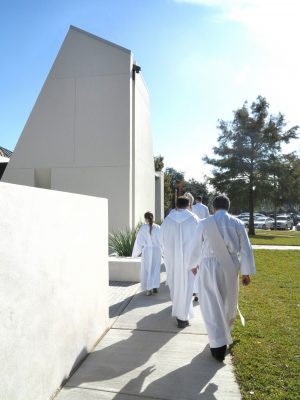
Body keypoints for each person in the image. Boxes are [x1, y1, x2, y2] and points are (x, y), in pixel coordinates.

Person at [189, 195, 256, 362]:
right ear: (228, 206)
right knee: (228, 301)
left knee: (210, 303)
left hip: (209, 265)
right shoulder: (237, 223)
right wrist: (245, 272)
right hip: (230, 266)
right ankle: (224, 336)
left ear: (213, 208)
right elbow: (246, 249)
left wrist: (193, 264)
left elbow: (195, 245)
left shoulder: (204, 223)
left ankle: (217, 343)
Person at [160, 196, 199, 328]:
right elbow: (200, 241)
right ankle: (183, 316)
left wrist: (166, 255)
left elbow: (161, 240)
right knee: (187, 287)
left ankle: (180, 315)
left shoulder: (168, 220)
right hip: (190, 261)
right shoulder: (194, 219)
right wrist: (197, 262)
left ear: (176, 206)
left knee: (175, 286)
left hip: (172, 260)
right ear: (189, 205)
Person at [132, 211, 161, 296]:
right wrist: (163, 251)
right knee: (155, 269)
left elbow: (139, 241)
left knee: (147, 269)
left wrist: (136, 253)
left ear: (145, 219)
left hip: (147, 251)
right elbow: (162, 240)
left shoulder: (143, 228)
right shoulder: (158, 228)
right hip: (156, 251)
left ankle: (148, 289)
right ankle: (155, 286)